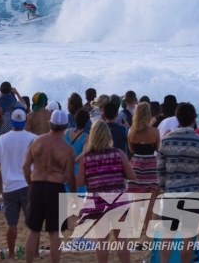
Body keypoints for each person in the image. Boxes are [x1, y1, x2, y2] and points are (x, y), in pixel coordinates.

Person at [157, 102, 199, 263]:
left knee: (168, 234)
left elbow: (160, 169)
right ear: (193, 119)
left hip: (171, 193)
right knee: (188, 236)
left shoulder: (167, 141)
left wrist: (164, 187)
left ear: (178, 119)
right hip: (194, 194)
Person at [76, 120, 136, 263]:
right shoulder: (118, 153)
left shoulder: (87, 157)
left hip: (98, 201)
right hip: (118, 200)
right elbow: (132, 175)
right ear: (107, 135)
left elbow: (79, 182)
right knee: (121, 238)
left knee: (101, 239)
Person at [23, 110, 76, 263]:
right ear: (66, 126)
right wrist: (73, 195)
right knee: (55, 232)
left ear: (50, 124)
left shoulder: (36, 141)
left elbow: (26, 167)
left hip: (37, 186)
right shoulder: (68, 149)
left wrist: (31, 184)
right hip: (55, 189)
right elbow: (70, 176)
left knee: (33, 230)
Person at [0, 108, 37, 259]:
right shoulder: (34, 138)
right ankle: (34, 253)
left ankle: (10, 254)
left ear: (11, 123)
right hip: (29, 184)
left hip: (9, 187)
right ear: (24, 122)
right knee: (33, 223)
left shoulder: (3, 139)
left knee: (12, 223)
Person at [126, 102, 160, 235]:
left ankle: (135, 229)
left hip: (136, 164)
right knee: (149, 203)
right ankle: (147, 229)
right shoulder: (154, 131)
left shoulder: (131, 131)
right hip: (151, 165)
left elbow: (131, 149)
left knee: (136, 201)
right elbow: (158, 149)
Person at [64, 109, 90, 193]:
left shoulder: (66, 132)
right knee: (78, 201)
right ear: (86, 122)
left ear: (75, 119)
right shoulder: (86, 137)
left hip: (64, 169)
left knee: (63, 202)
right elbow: (84, 153)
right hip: (77, 171)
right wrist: (73, 161)